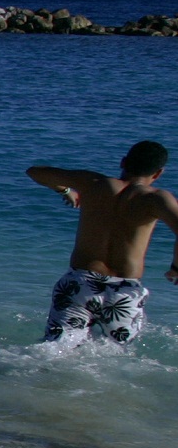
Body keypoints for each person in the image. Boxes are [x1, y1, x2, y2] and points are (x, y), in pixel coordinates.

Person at [26, 141, 178, 348]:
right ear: (159, 173)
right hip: (124, 289)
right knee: (113, 355)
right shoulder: (157, 199)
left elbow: (36, 172)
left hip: (80, 282)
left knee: (57, 348)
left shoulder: (94, 183)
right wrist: (175, 267)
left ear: (123, 162)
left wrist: (65, 191)